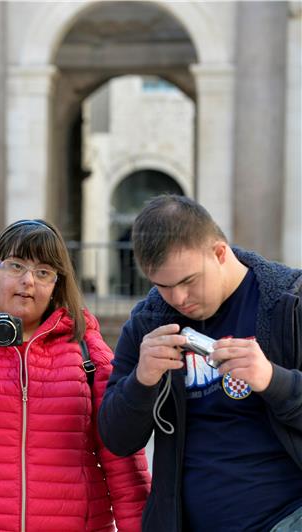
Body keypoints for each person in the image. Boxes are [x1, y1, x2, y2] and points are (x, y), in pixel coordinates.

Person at [0, 219, 150, 531]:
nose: (28, 281)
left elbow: (123, 460)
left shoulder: (87, 350)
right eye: (16, 266)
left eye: (43, 272)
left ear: (57, 283)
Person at [98, 195, 302, 531]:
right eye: (162, 286)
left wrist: (273, 380)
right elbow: (117, 439)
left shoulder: (288, 302)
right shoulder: (149, 321)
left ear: (220, 253)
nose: (178, 299)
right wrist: (142, 381)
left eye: (188, 281)